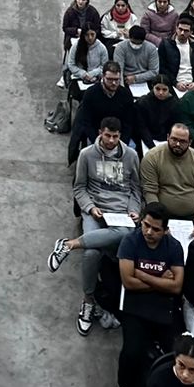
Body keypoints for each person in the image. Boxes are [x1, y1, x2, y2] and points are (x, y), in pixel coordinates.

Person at [48, 118, 142, 336]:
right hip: (96, 211)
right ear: (100, 132)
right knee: (91, 253)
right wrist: (90, 208)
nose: (111, 140)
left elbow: (136, 189)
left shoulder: (131, 156)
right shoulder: (86, 155)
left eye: (115, 136)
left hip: (121, 213)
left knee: (127, 231)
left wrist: (134, 209)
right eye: (107, 135)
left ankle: (69, 245)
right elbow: (79, 188)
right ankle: (88, 301)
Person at [112, 202, 186, 387]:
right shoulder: (130, 242)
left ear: (165, 230)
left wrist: (142, 275)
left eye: (155, 229)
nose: (149, 232)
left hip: (164, 306)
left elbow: (176, 286)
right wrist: (159, 280)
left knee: (176, 350)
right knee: (132, 350)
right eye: (146, 225)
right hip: (135, 305)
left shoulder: (173, 247)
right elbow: (128, 282)